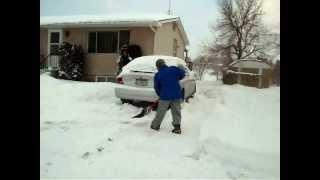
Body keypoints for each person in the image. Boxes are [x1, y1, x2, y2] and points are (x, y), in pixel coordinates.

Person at [150, 59, 185, 134]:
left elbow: (156, 88)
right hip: (176, 94)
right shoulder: (173, 69)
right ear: (164, 64)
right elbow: (182, 74)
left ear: (158, 66)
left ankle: (155, 126)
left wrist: (160, 94)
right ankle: (177, 127)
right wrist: (181, 68)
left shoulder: (158, 75)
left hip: (164, 96)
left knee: (161, 112)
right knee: (176, 111)